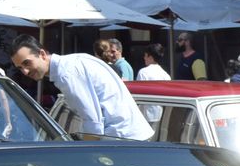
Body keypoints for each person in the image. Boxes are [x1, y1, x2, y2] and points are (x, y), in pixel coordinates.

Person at [9, 35, 152, 140]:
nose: (25, 72)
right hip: (129, 137)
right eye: (20, 68)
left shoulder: (67, 73)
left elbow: (93, 124)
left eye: (27, 63)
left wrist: (87, 156)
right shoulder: (73, 62)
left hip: (123, 140)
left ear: (42, 54)